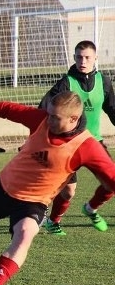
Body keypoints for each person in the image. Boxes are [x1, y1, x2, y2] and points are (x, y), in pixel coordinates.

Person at [0, 92, 115, 285]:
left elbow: (111, 181)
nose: (49, 119)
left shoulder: (87, 146)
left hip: (35, 201)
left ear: (73, 119)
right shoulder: (41, 119)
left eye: (55, 117)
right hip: (3, 187)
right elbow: (6, 108)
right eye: (49, 114)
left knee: (25, 234)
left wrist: (95, 203)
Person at [40, 40, 115, 235]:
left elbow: (112, 110)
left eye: (87, 57)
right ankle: (53, 221)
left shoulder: (104, 82)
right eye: (79, 57)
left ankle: (90, 208)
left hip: (93, 142)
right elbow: (44, 107)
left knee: (112, 181)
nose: (83, 61)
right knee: (68, 191)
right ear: (74, 58)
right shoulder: (66, 83)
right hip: (69, 144)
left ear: (95, 58)